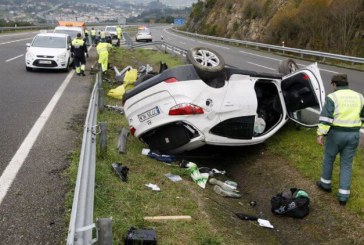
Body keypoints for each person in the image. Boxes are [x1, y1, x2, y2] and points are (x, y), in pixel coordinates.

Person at [316, 74, 364, 206]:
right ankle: (343, 196)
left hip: (336, 134)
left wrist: (320, 134)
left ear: (334, 84)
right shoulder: (359, 96)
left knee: (329, 159)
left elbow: (326, 118)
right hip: (353, 134)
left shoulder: (332, 97)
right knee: (346, 164)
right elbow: (363, 117)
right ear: (347, 84)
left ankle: (325, 185)